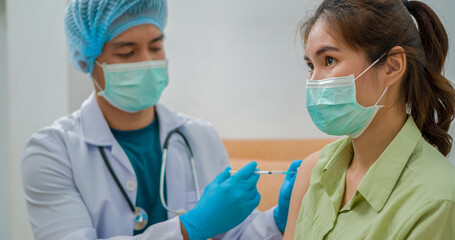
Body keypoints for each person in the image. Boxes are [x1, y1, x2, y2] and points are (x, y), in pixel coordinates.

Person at [21, 0, 301, 239]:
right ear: (88, 58)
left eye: (155, 48)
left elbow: (234, 233)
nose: (147, 61)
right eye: (127, 52)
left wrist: (277, 220)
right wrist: (189, 228)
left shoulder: (199, 137)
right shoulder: (51, 151)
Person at [283, 0, 455, 239]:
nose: (314, 80)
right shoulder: (312, 170)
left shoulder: (436, 200)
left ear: (392, 66)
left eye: (329, 60)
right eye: (311, 65)